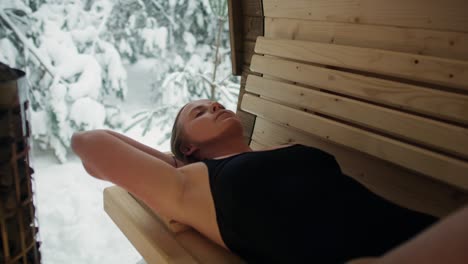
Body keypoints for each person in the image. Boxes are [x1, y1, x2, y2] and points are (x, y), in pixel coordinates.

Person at [72, 99, 468, 263]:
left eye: (214, 101)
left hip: (419, 233)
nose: (214, 104)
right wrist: (169, 161)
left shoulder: (282, 149)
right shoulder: (193, 184)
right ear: (188, 148)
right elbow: (89, 144)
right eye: (199, 112)